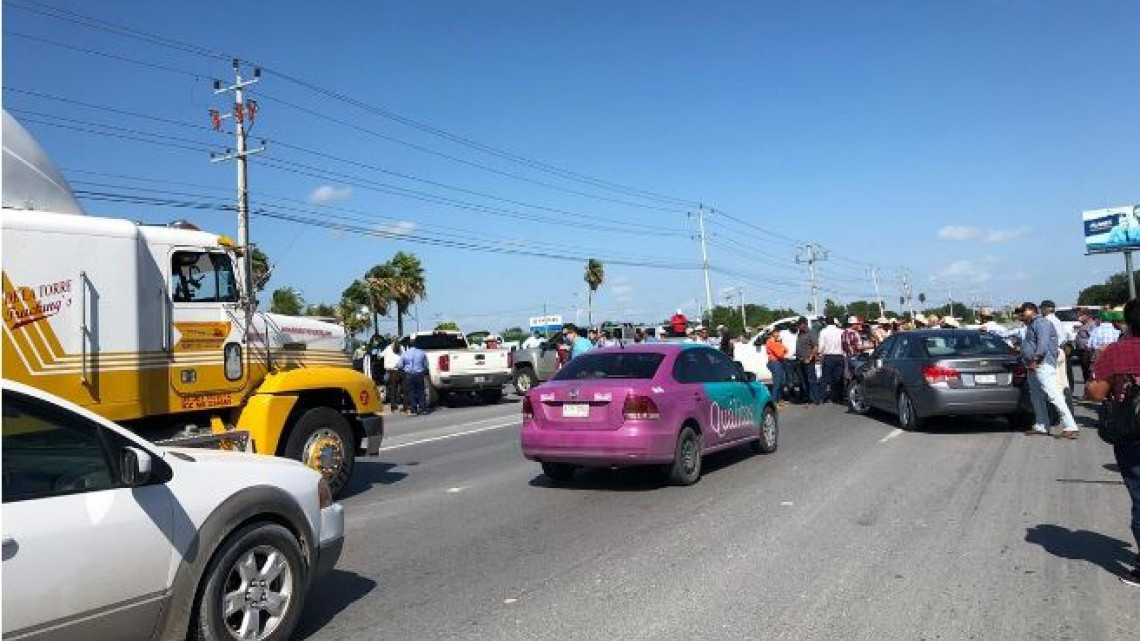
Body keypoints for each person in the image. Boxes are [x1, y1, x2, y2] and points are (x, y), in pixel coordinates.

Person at [1083, 298, 1140, 587]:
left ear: (1128, 323)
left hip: (1133, 435)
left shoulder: (1118, 352)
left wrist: (1097, 369)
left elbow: (1095, 393)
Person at [1017, 302, 1079, 438]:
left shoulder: (1041, 323)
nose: (1020, 314)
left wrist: (1036, 360)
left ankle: (1070, 426)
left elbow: (1043, 343)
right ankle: (1041, 425)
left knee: (1053, 394)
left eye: (1023, 311)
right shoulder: (1031, 325)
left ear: (1032, 311)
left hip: (1042, 364)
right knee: (1036, 396)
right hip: (1032, 365)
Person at [1041, 300, 1075, 410]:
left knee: (1052, 384)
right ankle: (1067, 409)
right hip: (1061, 351)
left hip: (1052, 354)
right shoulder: (1057, 320)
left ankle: (1056, 411)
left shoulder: (1046, 321)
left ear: (1045, 309)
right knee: (1063, 382)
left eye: (1041, 308)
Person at [398, 337, 429, 415]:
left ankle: (414, 410)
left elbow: (400, 365)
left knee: (411, 392)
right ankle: (423, 409)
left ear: (408, 346)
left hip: (409, 375)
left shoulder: (405, 353)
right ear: (416, 345)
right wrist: (423, 371)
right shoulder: (422, 353)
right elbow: (426, 365)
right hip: (419, 374)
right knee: (421, 392)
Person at [795, 317, 822, 405]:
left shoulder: (811, 333)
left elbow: (815, 347)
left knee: (812, 380)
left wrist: (810, 358)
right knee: (804, 381)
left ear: (804, 324)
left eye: (799, 324)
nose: (798, 326)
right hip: (800, 360)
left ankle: (816, 399)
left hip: (808, 361)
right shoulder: (800, 334)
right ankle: (809, 398)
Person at [818, 317, 845, 404]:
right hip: (840, 356)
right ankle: (839, 396)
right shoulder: (841, 331)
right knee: (838, 378)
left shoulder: (823, 331)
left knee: (825, 378)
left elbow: (821, 346)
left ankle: (822, 397)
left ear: (826, 322)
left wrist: (819, 354)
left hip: (828, 357)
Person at [382, 339, 406, 413]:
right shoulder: (402, 347)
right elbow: (404, 356)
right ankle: (406, 406)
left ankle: (394, 406)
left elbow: (380, 355)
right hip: (401, 370)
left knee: (392, 390)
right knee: (404, 389)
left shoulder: (388, 348)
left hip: (391, 371)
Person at [765, 330, 788, 407]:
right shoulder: (771, 342)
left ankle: (779, 400)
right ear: (773, 333)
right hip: (774, 363)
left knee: (781, 381)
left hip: (778, 362)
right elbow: (780, 353)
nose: (778, 333)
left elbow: (786, 349)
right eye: (777, 332)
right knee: (777, 382)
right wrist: (782, 349)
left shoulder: (776, 342)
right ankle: (774, 401)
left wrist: (782, 348)